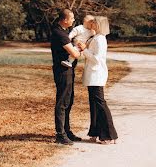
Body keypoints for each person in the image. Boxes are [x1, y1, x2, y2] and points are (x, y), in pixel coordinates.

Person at [78, 17, 118, 144]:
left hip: (96, 75)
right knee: (94, 105)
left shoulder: (100, 39)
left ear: (99, 25)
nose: (91, 23)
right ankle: (95, 131)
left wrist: (84, 50)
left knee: (100, 104)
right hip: (92, 75)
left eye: (94, 22)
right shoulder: (95, 37)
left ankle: (109, 134)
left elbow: (97, 59)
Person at [50, 8, 82, 145]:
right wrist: (81, 49)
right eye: (72, 18)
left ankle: (66, 130)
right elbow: (74, 54)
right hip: (62, 71)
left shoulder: (64, 32)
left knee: (69, 100)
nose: (74, 20)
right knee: (62, 102)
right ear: (65, 20)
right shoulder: (59, 33)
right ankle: (60, 134)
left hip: (68, 70)